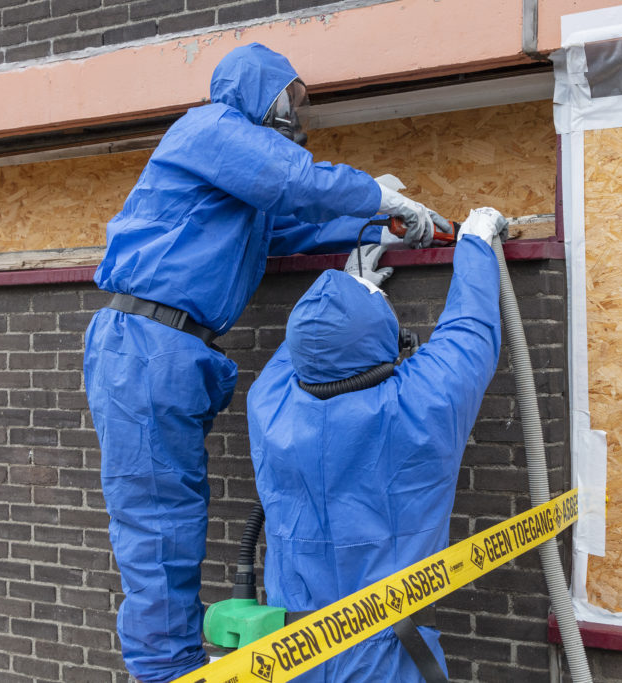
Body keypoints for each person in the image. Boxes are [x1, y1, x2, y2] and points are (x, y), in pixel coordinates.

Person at [83, 42, 445, 683]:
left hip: (174, 348)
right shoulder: (210, 128)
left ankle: (174, 660)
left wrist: (376, 232)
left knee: (176, 508)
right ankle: (162, 671)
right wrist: (376, 196)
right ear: (257, 91)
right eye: (292, 97)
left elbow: (294, 224)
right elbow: (296, 181)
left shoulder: (235, 185)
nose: (298, 113)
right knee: (155, 517)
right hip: (144, 342)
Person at [247, 207, 508, 682]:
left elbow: (308, 348)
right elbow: (471, 328)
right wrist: (475, 238)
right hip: (391, 660)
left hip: (291, 656)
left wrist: (345, 297)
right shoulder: (421, 404)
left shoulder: (268, 403)